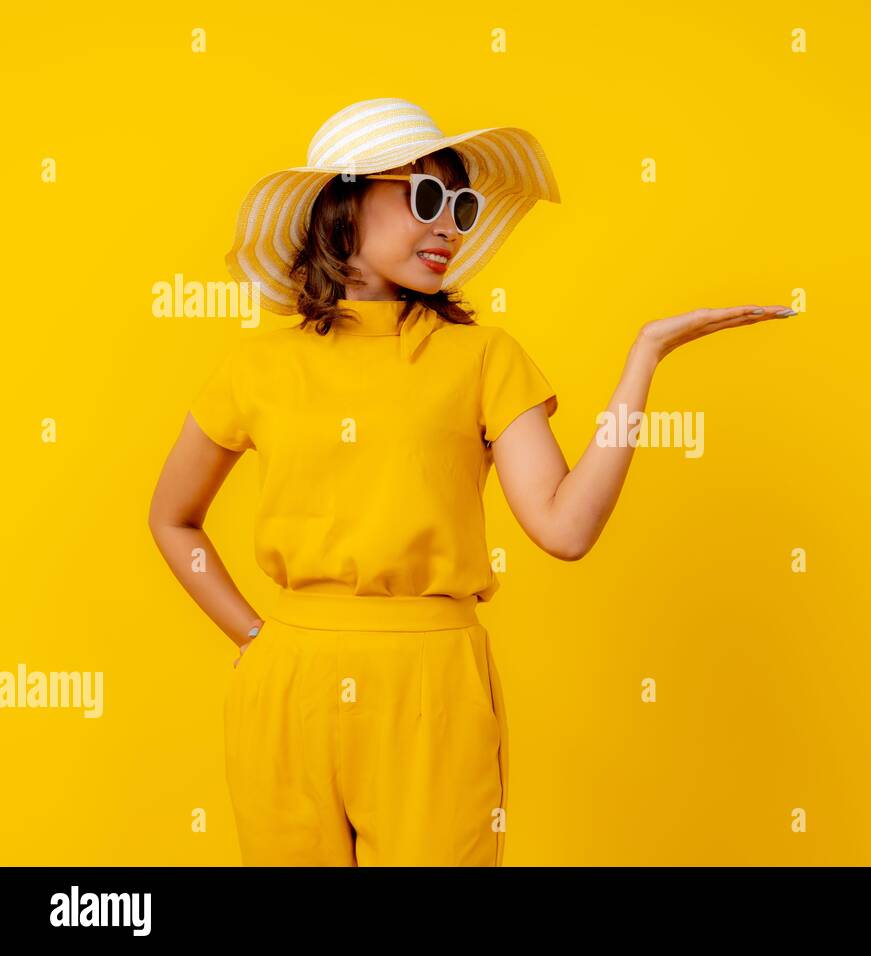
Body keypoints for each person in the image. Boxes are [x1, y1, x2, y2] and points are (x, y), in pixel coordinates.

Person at [147, 97, 795, 866]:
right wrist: (255, 638)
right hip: (287, 690)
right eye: (425, 197)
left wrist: (644, 360)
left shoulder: (483, 357)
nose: (450, 224)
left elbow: (566, 529)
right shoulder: (255, 367)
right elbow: (172, 517)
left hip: (433, 686)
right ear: (344, 209)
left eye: (461, 204)